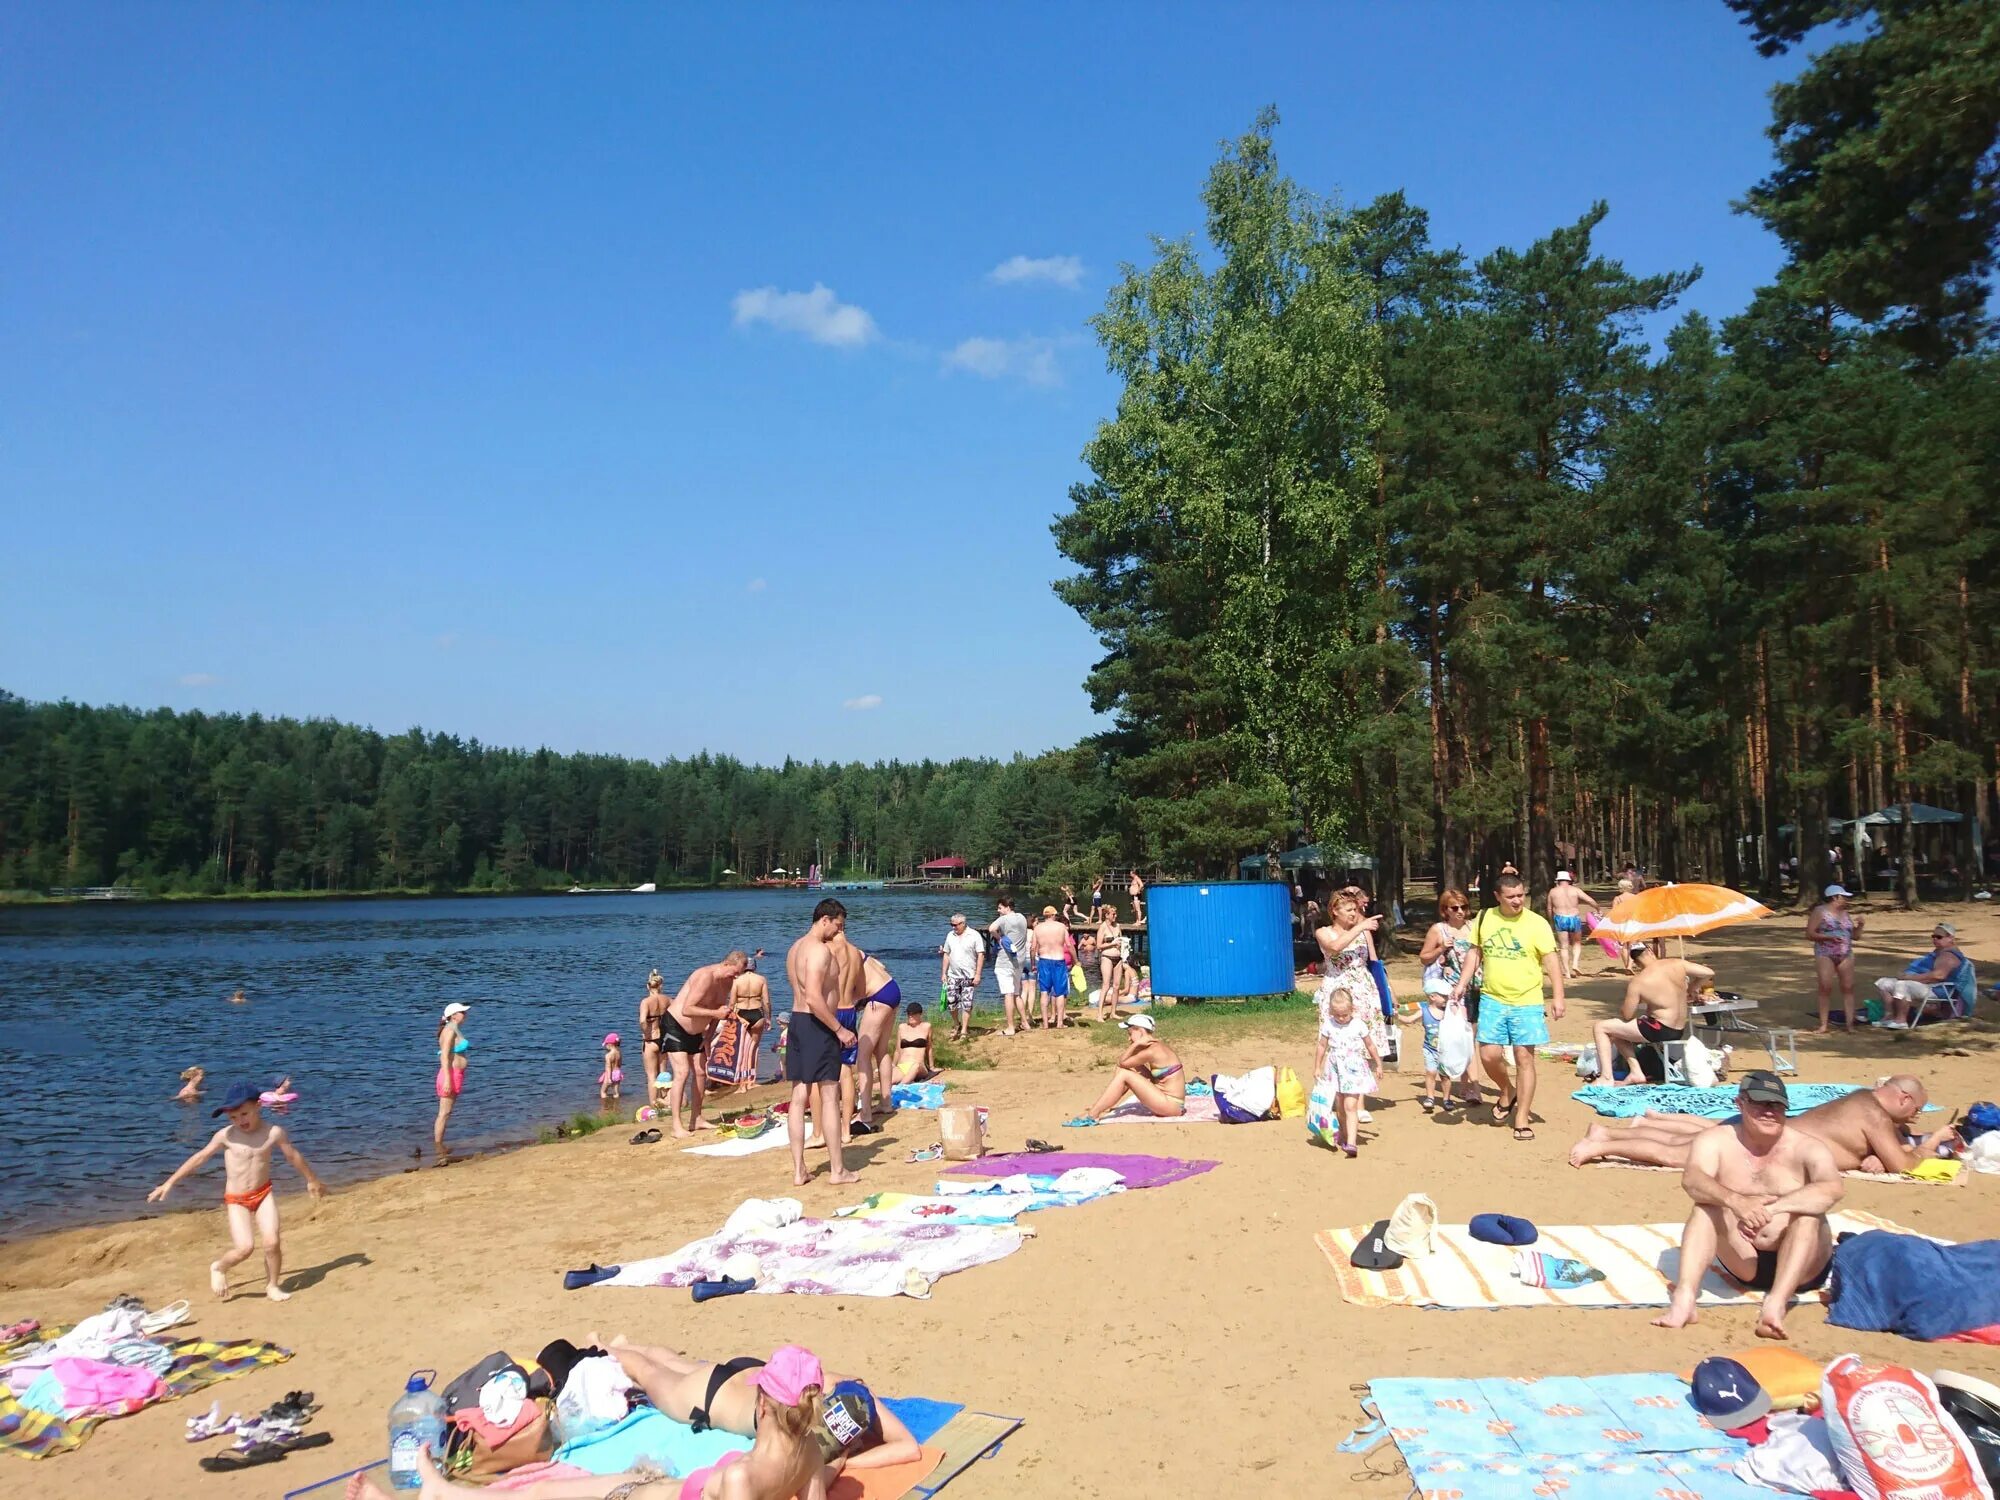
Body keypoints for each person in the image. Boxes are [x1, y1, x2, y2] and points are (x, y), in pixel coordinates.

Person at [1651, 1071, 1843, 1340]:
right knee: (1705, 1207)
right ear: (1740, 1103)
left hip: (1804, 1264)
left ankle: (1775, 1304)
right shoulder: (1716, 1140)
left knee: (1809, 1214)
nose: (1769, 1112)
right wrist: (1737, 1202)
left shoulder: (1806, 1147)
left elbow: (1832, 1189)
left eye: (1776, 1105)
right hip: (1745, 1259)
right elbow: (1692, 1180)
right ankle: (1684, 1299)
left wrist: (1773, 1209)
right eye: (1760, 1104)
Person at [597, 1337, 918, 1474]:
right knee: (649, 1372)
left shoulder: (833, 1387)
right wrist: (845, 1460)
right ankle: (601, 1347)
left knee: (671, 1364)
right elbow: (909, 1449)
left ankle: (619, 1344)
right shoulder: (801, 1445)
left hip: (748, 1372)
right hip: (711, 1399)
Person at [148, 1080, 328, 1301]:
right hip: (236, 1199)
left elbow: (293, 1156)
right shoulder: (226, 1136)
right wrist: (170, 1182)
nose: (239, 1121)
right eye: (233, 1117)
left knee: (272, 1242)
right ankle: (219, 1267)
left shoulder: (273, 1133)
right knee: (245, 1248)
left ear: (258, 1106)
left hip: (263, 1194)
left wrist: (312, 1180)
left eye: (244, 1114)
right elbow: (199, 1158)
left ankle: (272, 1285)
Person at [1570, 1074, 1960, 1173]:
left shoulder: (1864, 1100)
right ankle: (1603, 1144)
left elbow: (1881, 1151)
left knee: (1700, 1137)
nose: (1914, 1118)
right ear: (1904, 1098)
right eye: (1915, 1110)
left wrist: (1880, 1153)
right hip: (1772, 1145)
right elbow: (1903, 1166)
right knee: (1680, 1156)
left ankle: (1609, 1136)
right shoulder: (1874, 1114)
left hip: (1777, 1137)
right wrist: (1933, 1142)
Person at [1450, 872, 1563, 1142]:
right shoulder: (1486, 918)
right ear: (1498, 896)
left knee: (1525, 1058)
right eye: (1511, 897)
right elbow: (1474, 953)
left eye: (1521, 895)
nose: (1517, 901)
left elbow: (1551, 962)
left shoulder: (1537, 924)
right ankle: (1507, 1090)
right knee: (1488, 1055)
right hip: (1493, 998)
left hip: (1527, 1000)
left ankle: (1521, 1117)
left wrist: (1558, 996)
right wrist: (1461, 984)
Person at [786, 899, 859, 1187]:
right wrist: (839, 1029)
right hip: (817, 1025)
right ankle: (837, 1171)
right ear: (825, 919)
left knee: (797, 1097)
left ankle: (799, 1170)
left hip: (798, 1023)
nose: (838, 932)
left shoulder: (795, 948)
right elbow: (814, 998)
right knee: (829, 1095)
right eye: (838, 925)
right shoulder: (818, 951)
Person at [659, 953, 751, 1138]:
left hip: (697, 1032)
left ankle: (697, 1118)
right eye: (734, 973)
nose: (736, 978)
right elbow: (688, 1009)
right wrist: (715, 1013)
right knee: (682, 1072)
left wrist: (709, 1037)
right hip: (675, 1026)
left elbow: (720, 1013)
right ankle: (677, 1126)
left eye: (739, 975)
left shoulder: (727, 983)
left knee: (701, 1072)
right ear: (726, 963)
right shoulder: (704, 976)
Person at [1590, 944, 1709, 1086]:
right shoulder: (1677, 963)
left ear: (1635, 962)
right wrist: (1693, 987)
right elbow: (1708, 972)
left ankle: (1606, 1077)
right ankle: (1636, 1072)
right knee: (1616, 1032)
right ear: (1651, 951)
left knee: (1601, 1027)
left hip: (1659, 1029)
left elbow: (1627, 1015)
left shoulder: (1640, 981)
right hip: (1678, 1029)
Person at [1066, 1014, 1185, 1125]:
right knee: (1127, 1068)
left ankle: (1093, 1114)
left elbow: (1121, 1061)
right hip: (1165, 1100)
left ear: (1140, 1031)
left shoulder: (1152, 1051)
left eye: (1130, 1034)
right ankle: (1104, 1105)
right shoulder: (1154, 1046)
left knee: (1124, 1074)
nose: (1129, 1039)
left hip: (1171, 1105)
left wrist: (1135, 1045)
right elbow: (1125, 1064)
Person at [1316, 980, 1380, 1157]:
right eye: (1337, 1015)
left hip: (1354, 1070)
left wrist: (1378, 1064)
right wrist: (1317, 1067)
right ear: (1331, 1012)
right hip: (1335, 1068)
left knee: (1350, 1105)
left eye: (1344, 1015)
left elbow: (1370, 1045)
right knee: (1340, 1106)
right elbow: (1322, 1046)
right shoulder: (1328, 1024)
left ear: (1352, 1010)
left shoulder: (1359, 1025)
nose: (1341, 1018)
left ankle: (1352, 1143)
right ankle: (1344, 1134)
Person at [1875, 921, 1969, 1027]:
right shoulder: (1938, 952)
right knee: (1883, 983)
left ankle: (1901, 1021)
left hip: (1937, 989)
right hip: (1925, 984)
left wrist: (1910, 977)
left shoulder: (1950, 956)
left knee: (1902, 985)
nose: (1935, 939)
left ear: (1950, 938)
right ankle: (1890, 1016)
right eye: (1933, 936)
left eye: (1939, 937)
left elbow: (1938, 976)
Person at [1805, 884, 1862, 1033]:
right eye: (1844, 897)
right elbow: (1810, 934)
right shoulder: (1820, 911)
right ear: (1835, 897)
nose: (1847, 900)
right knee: (1825, 987)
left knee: (1848, 987)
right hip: (1825, 952)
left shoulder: (1845, 913)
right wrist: (1828, 937)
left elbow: (1854, 936)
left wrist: (1860, 926)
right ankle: (1823, 1025)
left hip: (1846, 953)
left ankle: (1850, 1024)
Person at [853, 949, 901, 1124]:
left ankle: (865, 1112)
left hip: (878, 997)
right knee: (881, 1050)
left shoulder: (841, 953)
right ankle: (886, 1102)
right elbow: (881, 965)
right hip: (891, 988)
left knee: (862, 1055)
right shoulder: (857, 952)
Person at [1545, 870, 1601, 981]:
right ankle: (1575, 964)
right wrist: (1598, 908)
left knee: (1564, 946)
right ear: (1569, 880)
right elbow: (1589, 900)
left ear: (1558, 880)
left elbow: (1549, 908)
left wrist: (1551, 921)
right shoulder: (1575, 890)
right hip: (1574, 918)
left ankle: (1566, 972)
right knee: (1577, 943)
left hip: (1560, 918)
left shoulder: (1553, 891)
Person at [989, 897, 1032, 1036]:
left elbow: (991, 929)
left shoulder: (1003, 919)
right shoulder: (1022, 918)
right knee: (1016, 993)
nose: (998, 911)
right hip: (1019, 960)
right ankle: (1025, 1022)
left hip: (1005, 962)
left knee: (1008, 994)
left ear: (1007, 907)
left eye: (1000, 908)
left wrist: (1000, 938)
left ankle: (1010, 1027)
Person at [729, 958, 771, 1097]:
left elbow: (731, 1004)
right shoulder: (761, 979)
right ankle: (751, 1080)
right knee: (754, 1048)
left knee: (742, 1050)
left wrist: (737, 1018)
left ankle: (742, 1084)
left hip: (741, 1013)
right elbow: (766, 1001)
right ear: (755, 967)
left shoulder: (737, 981)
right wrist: (768, 1018)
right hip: (757, 1012)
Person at [938, 912, 983, 1042]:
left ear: (963, 923)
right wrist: (943, 973)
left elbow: (980, 955)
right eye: (951, 925)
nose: (953, 927)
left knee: (967, 1003)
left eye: (955, 925)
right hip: (953, 975)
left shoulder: (974, 935)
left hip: (969, 975)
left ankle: (964, 1029)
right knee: (951, 1002)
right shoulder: (950, 936)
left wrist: (978, 974)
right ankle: (956, 1023)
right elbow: (946, 954)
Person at [434, 1001, 470, 1156]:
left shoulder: (453, 1028)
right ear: (454, 1016)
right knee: (444, 1113)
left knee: (447, 1113)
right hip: (450, 1074)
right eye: (462, 1012)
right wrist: (448, 1079)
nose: (465, 1015)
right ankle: (438, 1148)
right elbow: (444, 1056)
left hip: (455, 1074)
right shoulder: (449, 1030)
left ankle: (440, 1146)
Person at [1030, 904, 1071, 1030]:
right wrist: (1075, 960)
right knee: (1059, 993)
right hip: (1058, 960)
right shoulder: (1061, 926)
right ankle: (1059, 1023)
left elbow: (1032, 948)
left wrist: (1033, 963)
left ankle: (1045, 1024)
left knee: (1044, 992)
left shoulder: (1038, 928)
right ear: (1053, 915)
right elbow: (1069, 945)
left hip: (1044, 961)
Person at [638, 970, 671, 1103]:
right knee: (663, 1073)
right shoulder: (667, 999)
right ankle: (666, 1099)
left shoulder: (645, 1002)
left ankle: (654, 1104)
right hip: (664, 1039)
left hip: (651, 1040)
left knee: (651, 1075)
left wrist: (646, 1032)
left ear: (648, 986)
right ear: (661, 986)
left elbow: (642, 1020)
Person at [1095, 906, 1127, 1021]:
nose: (1115, 916)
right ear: (1107, 915)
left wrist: (1124, 948)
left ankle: (1113, 1012)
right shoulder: (1102, 927)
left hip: (1118, 958)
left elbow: (1121, 940)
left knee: (1117, 986)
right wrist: (1112, 944)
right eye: (1113, 914)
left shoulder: (1118, 926)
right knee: (1106, 985)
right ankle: (1100, 1014)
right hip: (1107, 957)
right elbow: (1099, 946)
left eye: (1116, 913)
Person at [892, 1001, 935, 1083]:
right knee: (890, 1080)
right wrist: (893, 1065)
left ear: (920, 1014)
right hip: (903, 1065)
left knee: (915, 1066)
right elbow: (897, 1050)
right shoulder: (902, 1027)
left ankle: (901, 1087)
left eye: (913, 1014)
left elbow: (929, 1048)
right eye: (909, 1014)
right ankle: (862, 1091)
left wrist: (932, 1067)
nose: (910, 1016)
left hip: (919, 1066)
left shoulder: (926, 1027)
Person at [599, 1033, 623, 1106]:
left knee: (603, 1092)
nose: (605, 1047)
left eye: (606, 1045)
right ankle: (617, 1105)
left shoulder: (608, 1055)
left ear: (610, 1044)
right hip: (618, 1073)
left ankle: (605, 1106)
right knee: (616, 1092)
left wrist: (609, 1078)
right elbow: (620, 1064)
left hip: (609, 1075)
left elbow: (608, 1067)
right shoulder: (619, 1053)